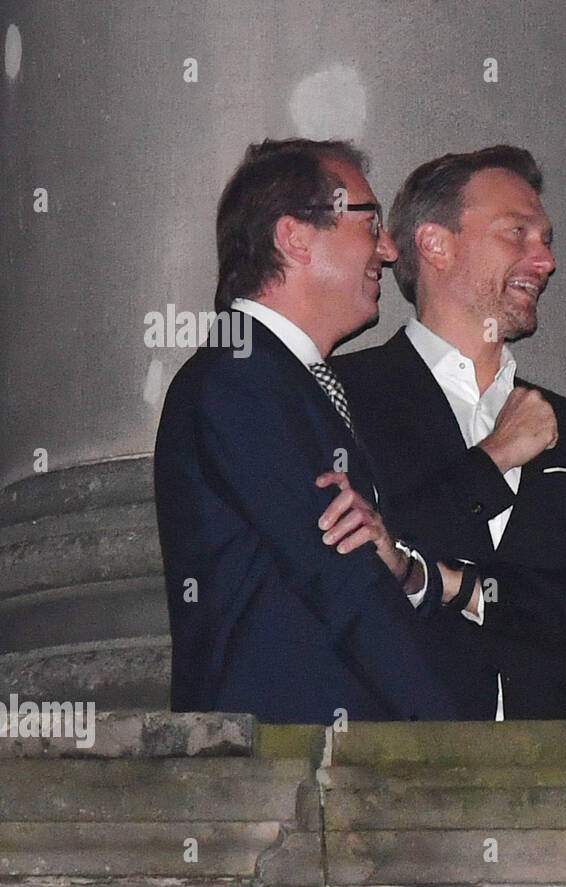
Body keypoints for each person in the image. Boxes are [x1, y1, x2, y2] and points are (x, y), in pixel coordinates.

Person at [334, 146, 566, 720]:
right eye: (518, 233)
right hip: (391, 768)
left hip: (543, 776)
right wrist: (494, 458)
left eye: (546, 240)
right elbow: (356, 564)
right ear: (435, 244)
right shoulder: (347, 396)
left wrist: (467, 588)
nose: (545, 260)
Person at [154, 138, 462, 723]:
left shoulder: (288, 381)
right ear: (294, 237)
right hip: (283, 766)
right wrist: (462, 746)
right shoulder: (241, 377)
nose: (390, 249)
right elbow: (339, 579)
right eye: (370, 223)